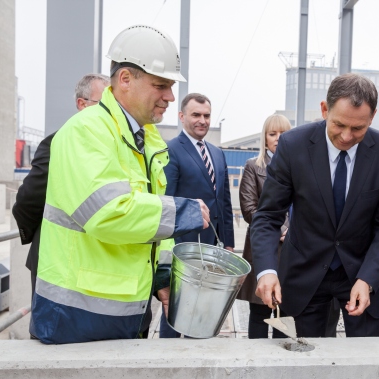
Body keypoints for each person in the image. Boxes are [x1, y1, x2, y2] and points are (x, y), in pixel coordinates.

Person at [30, 25, 210, 344]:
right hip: (75, 315)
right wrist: (185, 212)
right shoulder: (86, 131)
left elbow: (151, 222)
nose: (170, 97)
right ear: (125, 79)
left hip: (127, 309)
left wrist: (163, 275)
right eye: (161, 85)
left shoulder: (147, 140)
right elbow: (108, 213)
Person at [250, 73, 379, 338]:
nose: (346, 136)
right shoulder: (293, 146)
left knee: (366, 359)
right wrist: (266, 270)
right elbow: (267, 216)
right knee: (299, 358)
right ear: (324, 109)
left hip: (361, 273)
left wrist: (368, 278)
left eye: (358, 128)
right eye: (339, 124)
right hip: (304, 273)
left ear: (372, 117)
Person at [12, 73, 109, 300]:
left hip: (97, 266)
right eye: (104, 104)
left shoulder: (115, 145)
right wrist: (41, 234)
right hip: (54, 263)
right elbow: (28, 200)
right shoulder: (58, 141)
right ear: (82, 104)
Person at [158, 93, 235, 338]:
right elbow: (167, 201)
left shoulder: (217, 153)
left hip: (212, 246)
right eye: (196, 115)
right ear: (182, 116)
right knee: (175, 306)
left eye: (206, 115)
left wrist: (228, 243)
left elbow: (224, 202)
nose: (202, 120)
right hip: (183, 246)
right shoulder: (170, 150)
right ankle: (168, 353)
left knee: (203, 307)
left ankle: (197, 347)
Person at [237, 114, 291, 339]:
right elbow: (249, 208)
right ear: (264, 138)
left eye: (283, 134)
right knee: (260, 310)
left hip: (291, 249)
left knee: (285, 313)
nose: (278, 138)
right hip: (264, 247)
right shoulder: (254, 166)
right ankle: (255, 355)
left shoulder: (297, 166)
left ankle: (282, 355)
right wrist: (281, 229)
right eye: (272, 134)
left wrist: (294, 231)